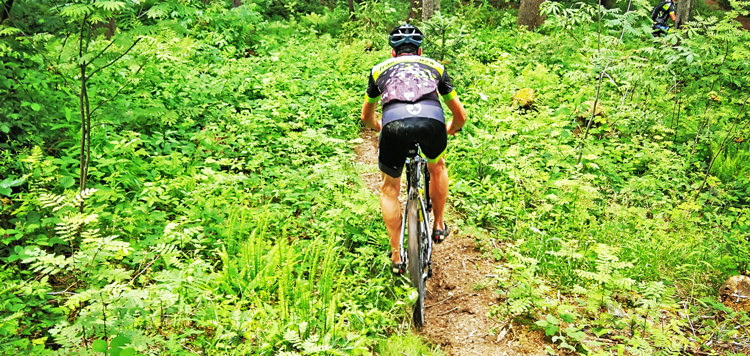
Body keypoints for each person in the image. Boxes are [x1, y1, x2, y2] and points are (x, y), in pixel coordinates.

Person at [360, 24, 468, 275]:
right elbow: (460, 115)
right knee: (437, 166)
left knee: (389, 189)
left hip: (394, 124)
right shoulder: (436, 67)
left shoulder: (378, 71)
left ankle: (397, 256)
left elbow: (367, 116)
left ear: (393, 52)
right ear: (420, 50)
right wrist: (451, 128)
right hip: (432, 122)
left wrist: (378, 126)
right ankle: (439, 224)